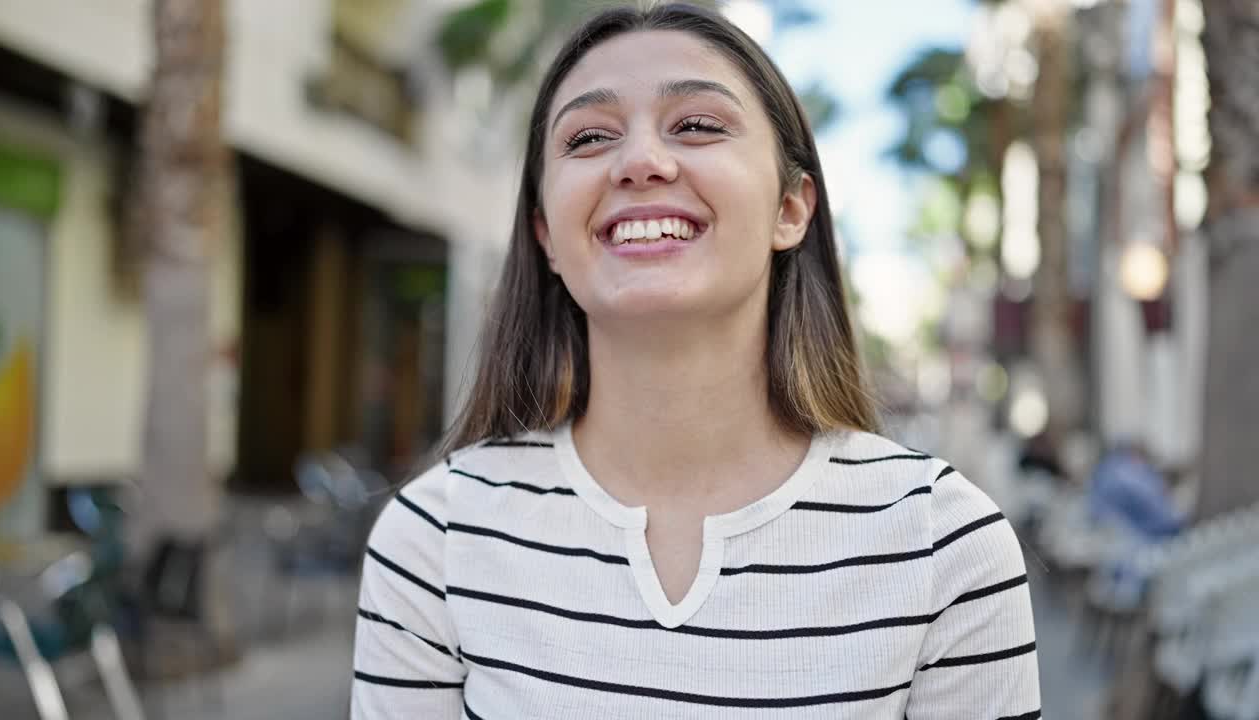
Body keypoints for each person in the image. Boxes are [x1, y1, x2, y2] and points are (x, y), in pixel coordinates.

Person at [351, 4, 1041, 718]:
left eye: (698, 125)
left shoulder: (945, 544)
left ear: (791, 209)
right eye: (589, 137)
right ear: (546, 234)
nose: (642, 161)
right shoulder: (434, 539)